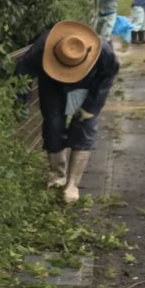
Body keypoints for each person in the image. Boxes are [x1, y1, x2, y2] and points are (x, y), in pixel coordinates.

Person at [14, 20, 119, 203]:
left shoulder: (103, 51)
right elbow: (23, 71)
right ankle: (58, 176)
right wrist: (21, 103)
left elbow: (108, 76)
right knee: (53, 125)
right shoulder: (41, 47)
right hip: (52, 82)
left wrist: (92, 107)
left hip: (87, 84)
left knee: (84, 126)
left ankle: (72, 184)